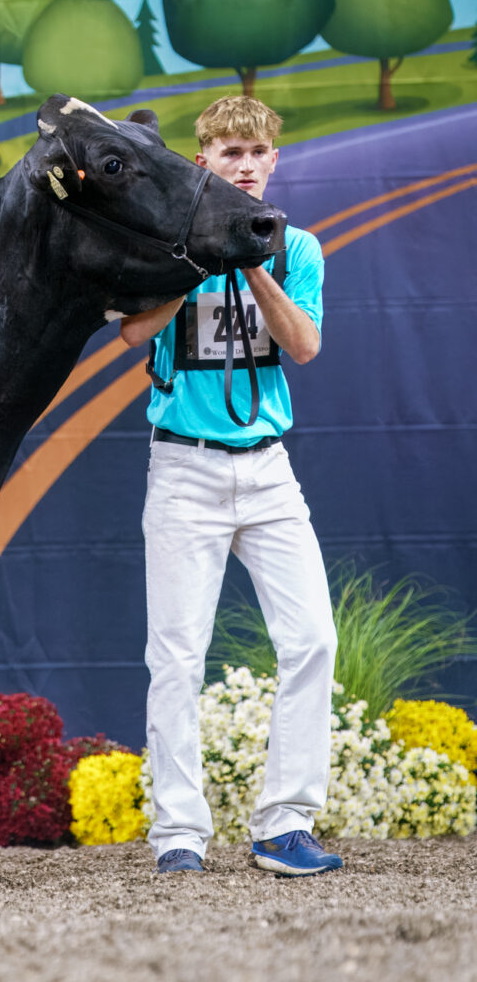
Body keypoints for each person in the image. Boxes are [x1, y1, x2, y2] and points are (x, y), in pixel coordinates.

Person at [120, 95, 342, 877]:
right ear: (203, 160)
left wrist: (250, 262)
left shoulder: (298, 249)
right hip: (185, 468)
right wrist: (198, 262)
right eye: (229, 152)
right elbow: (132, 332)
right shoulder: (169, 247)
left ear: (272, 161)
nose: (243, 165)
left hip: (268, 468)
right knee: (177, 656)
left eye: (255, 153)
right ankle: (179, 834)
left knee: (313, 639)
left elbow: (304, 346)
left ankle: (285, 826)